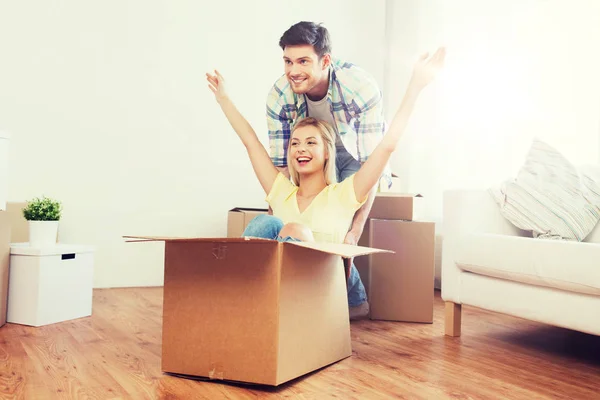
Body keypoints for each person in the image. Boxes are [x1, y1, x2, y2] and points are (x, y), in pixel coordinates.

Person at [206, 46, 445, 319]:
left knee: (292, 228)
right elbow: (250, 141)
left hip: (319, 292)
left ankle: (263, 307)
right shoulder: (280, 191)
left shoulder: (343, 194)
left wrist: (415, 86)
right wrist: (223, 98)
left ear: (327, 152)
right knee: (268, 223)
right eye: (295, 143)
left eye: (310, 143)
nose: (300, 149)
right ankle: (243, 299)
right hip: (278, 289)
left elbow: (387, 146)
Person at [264, 21, 392, 316]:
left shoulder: (359, 87)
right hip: (312, 148)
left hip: (354, 151)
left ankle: (354, 301)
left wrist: (354, 232)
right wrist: (277, 212)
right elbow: (281, 168)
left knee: (336, 221)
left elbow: (371, 162)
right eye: (288, 61)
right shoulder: (279, 97)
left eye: (303, 61)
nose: (293, 70)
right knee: (304, 219)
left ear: (325, 61)